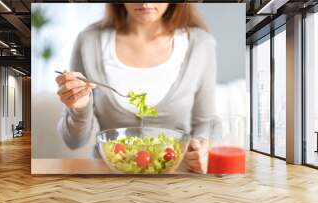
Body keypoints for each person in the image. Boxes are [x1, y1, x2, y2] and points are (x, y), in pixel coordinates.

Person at [56, 3, 216, 174]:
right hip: (108, 178)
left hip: (175, 178)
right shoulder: (89, 41)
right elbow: (73, 141)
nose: (145, 3)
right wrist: (80, 107)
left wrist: (203, 148)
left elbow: (205, 123)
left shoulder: (200, 43)